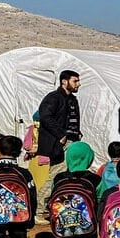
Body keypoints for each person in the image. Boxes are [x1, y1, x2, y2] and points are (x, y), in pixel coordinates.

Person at [36, 70, 82, 222]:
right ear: (64, 81)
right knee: (56, 175)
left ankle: (54, 207)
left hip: (71, 142)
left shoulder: (72, 100)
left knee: (66, 176)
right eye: (75, 81)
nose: (78, 84)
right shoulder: (54, 98)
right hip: (60, 144)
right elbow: (45, 116)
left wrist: (77, 133)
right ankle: (38, 209)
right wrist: (61, 134)